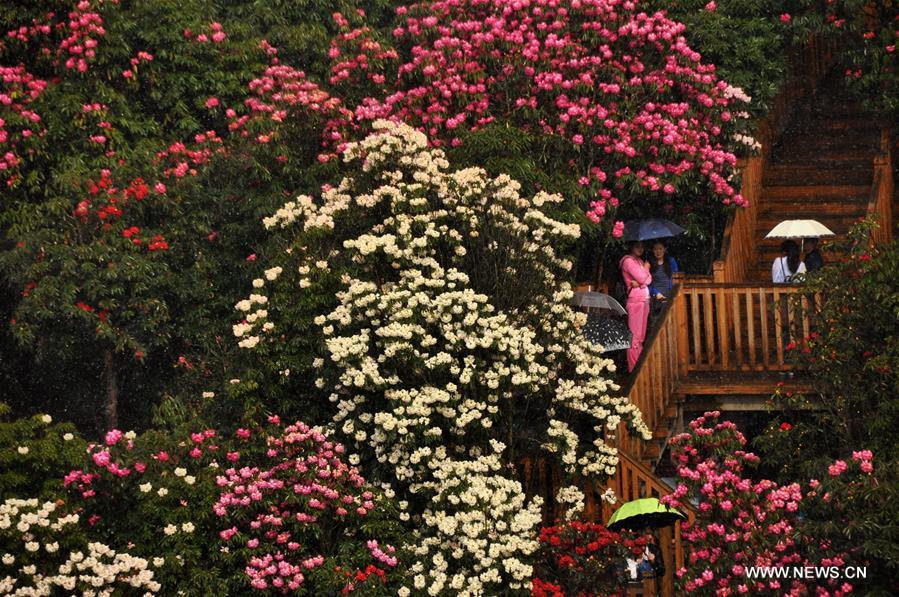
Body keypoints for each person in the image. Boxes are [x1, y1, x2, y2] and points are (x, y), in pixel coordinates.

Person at [620, 241, 652, 372]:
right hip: (636, 301)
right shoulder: (628, 261)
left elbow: (649, 280)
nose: (640, 249)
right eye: (637, 246)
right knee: (635, 339)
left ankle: (640, 369)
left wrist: (641, 282)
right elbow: (644, 277)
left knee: (641, 338)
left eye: (642, 246)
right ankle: (634, 371)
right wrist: (646, 269)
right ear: (631, 246)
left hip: (644, 300)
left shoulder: (639, 261)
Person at [647, 240, 679, 320]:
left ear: (665, 249)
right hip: (656, 299)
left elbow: (677, 278)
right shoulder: (649, 263)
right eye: (655, 249)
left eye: (660, 249)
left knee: (672, 321)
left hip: (670, 296)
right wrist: (655, 293)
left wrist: (673, 293)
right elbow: (647, 282)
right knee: (657, 323)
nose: (658, 251)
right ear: (652, 250)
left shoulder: (671, 261)